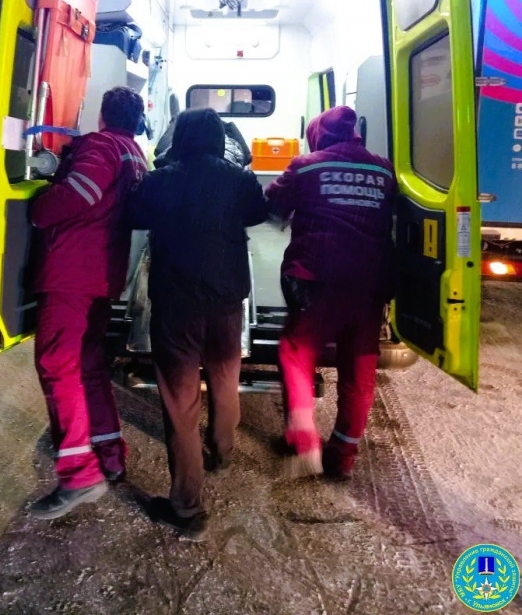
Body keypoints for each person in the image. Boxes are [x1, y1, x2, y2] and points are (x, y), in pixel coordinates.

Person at [128, 108, 270, 541]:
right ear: (218, 139)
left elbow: (134, 215)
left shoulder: (160, 180)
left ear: (181, 138)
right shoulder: (240, 179)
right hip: (225, 305)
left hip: (176, 309)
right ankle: (222, 453)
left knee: (180, 404)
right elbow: (258, 214)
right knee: (226, 381)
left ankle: (187, 507)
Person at [28, 86, 148, 520]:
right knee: (89, 364)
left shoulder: (101, 145)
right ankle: (109, 453)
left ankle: (80, 473)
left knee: (57, 364)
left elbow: (78, 194)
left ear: (103, 115)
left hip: (73, 273)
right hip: (103, 273)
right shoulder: (136, 154)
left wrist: (39, 208)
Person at [265, 105, 397, 479]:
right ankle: (342, 457)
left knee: (296, 353)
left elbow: (273, 208)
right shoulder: (384, 169)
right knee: (359, 367)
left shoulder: (306, 166)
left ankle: (304, 440)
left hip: (315, 277)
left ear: (318, 134)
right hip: (369, 282)